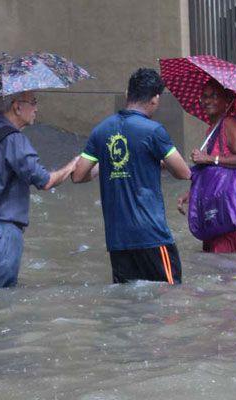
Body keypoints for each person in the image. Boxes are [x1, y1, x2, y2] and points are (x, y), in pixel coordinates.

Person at [72, 68, 191, 284]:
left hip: (118, 240)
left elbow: (79, 175)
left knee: (127, 306)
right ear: (155, 99)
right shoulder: (154, 131)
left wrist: (108, 162)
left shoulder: (101, 130)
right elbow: (183, 172)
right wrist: (160, 163)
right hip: (151, 236)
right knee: (170, 300)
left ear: (128, 93)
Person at [0, 91, 78, 289]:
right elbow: (44, 181)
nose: (36, 108)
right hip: (4, 231)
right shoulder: (14, 140)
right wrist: (72, 166)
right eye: (33, 102)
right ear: (17, 107)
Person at [176, 79, 236, 253]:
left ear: (227, 101)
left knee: (232, 266)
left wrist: (209, 158)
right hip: (219, 204)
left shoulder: (230, 124)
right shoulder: (212, 129)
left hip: (234, 205)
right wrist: (190, 194)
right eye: (204, 97)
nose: (208, 101)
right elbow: (215, 176)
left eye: (214, 96)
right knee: (218, 263)